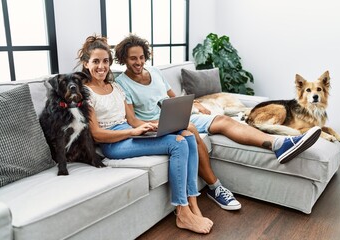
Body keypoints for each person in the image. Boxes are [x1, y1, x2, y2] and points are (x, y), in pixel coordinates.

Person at [113, 34, 322, 209]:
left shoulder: (155, 72)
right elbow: (132, 119)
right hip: (155, 125)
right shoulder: (122, 83)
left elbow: (173, 96)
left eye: (141, 57)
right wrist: (151, 125)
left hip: (175, 115)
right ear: (124, 59)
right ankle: (216, 188)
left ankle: (279, 144)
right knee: (192, 130)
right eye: (133, 59)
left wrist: (193, 104)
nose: (139, 62)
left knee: (221, 120)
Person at [76, 35, 213, 234]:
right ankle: (182, 212)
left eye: (105, 61)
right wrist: (133, 132)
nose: (101, 66)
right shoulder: (84, 93)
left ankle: (193, 203)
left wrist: (153, 126)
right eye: (95, 61)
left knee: (188, 135)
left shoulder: (114, 87)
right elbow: (97, 134)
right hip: (114, 144)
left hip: (129, 132)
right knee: (178, 143)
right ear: (85, 63)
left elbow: (132, 120)